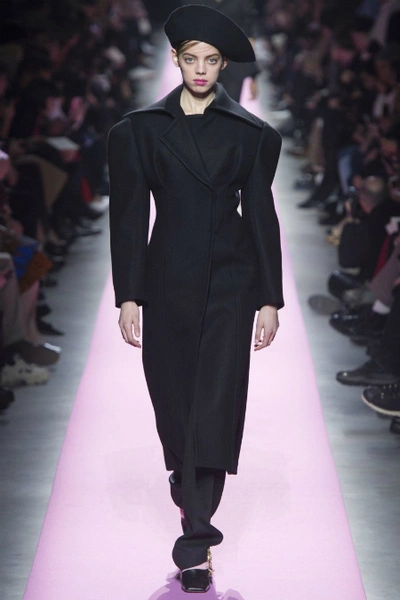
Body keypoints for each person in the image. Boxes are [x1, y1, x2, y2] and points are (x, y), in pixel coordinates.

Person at [108, 4, 284, 594]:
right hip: (166, 285)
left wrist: (270, 298)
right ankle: (188, 492)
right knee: (176, 410)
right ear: (177, 60)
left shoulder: (253, 136)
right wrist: (128, 296)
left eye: (211, 60)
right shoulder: (138, 131)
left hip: (230, 285)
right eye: (191, 59)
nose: (201, 69)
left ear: (224, 65)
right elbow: (128, 219)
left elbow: (261, 217)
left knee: (213, 410)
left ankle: (197, 543)